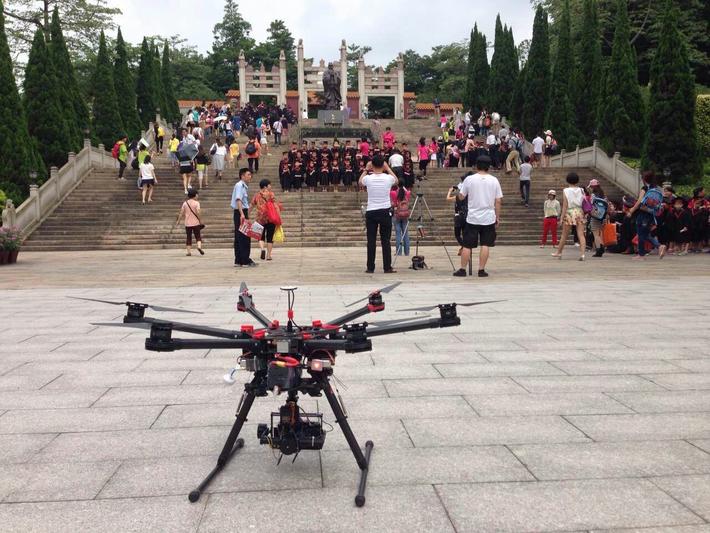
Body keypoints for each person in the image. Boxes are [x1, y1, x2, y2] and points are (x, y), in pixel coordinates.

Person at [453, 156, 502, 278]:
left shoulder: (469, 179)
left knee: (467, 245)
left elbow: (461, 197)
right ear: (489, 166)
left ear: (476, 165)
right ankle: (481, 270)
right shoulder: (494, 180)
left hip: (473, 217)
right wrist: (497, 217)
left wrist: (459, 191)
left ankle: (462, 270)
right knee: (485, 244)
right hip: (488, 217)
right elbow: (498, 201)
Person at [359, 154, 398, 273]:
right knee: (386, 240)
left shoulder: (368, 178)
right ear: (383, 164)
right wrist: (388, 168)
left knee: (371, 240)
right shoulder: (388, 178)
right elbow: (396, 180)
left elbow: (360, 182)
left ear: (372, 165)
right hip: (385, 211)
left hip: (371, 211)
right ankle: (387, 267)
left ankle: (370, 267)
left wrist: (366, 169)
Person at [626, 171, 664, 260]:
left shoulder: (645, 188)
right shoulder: (656, 189)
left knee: (640, 234)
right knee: (646, 234)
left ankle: (641, 254)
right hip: (651, 214)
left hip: (643, 214)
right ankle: (659, 246)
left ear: (644, 179)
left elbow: (640, 201)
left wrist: (632, 210)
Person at [552, 172, 587, 261]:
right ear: (577, 180)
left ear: (567, 180)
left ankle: (559, 252)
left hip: (570, 212)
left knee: (564, 234)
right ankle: (583, 254)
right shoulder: (581, 190)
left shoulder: (566, 190)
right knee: (581, 234)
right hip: (579, 211)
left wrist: (561, 217)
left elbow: (565, 205)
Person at [231, 168, 256, 267]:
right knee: (244, 236)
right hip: (240, 212)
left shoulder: (242, 186)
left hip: (241, 211)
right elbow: (238, 199)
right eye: (248, 174)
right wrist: (242, 214)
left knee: (239, 236)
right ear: (242, 176)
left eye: (250, 175)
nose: (250, 176)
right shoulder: (240, 185)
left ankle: (239, 260)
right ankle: (245, 260)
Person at [252, 178, 280, 261]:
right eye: (269, 185)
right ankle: (268, 255)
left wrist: (247, 214)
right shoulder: (271, 194)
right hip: (271, 218)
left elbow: (251, 205)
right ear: (265, 187)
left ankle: (262, 249)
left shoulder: (256, 195)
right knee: (270, 237)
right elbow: (276, 206)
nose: (270, 186)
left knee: (260, 236)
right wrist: (278, 217)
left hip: (259, 219)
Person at [175, 189, 204, 256]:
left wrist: (178, 221)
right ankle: (199, 247)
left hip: (187, 224)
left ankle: (188, 252)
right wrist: (200, 220)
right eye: (197, 194)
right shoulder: (197, 203)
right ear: (195, 195)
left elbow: (181, 213)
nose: (197, 196)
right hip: (196, 223)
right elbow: (198, 212)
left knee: (188, 237)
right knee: (198, 236)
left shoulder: (185, 203)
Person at [587, 179, 610, 257]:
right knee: (600, 233)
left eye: (590, 187)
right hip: (603, 216)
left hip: (595, 216)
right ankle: (602, 247)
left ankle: (599, 250)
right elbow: (607, 206)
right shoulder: (603, 195)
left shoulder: (593, 195)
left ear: (592, 187)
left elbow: (591, 205)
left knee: (596, 234)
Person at [447, 179, 467, 256]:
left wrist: (449, 191)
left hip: (458, 217)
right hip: (466, 216)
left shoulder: (457, 197)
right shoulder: (467, 197)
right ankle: (464, 248)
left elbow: (447, 198)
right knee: (464, 234)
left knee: (457, 235)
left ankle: (464, 247)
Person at [391, 179, 411, 256]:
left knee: (398, 234)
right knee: (405, 233)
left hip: (397, 215)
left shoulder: (393, 193)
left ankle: (399, 252)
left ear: (397, 184)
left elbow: (393, 204)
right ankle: (407, 252)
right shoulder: (408, 193)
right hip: (405, 214)